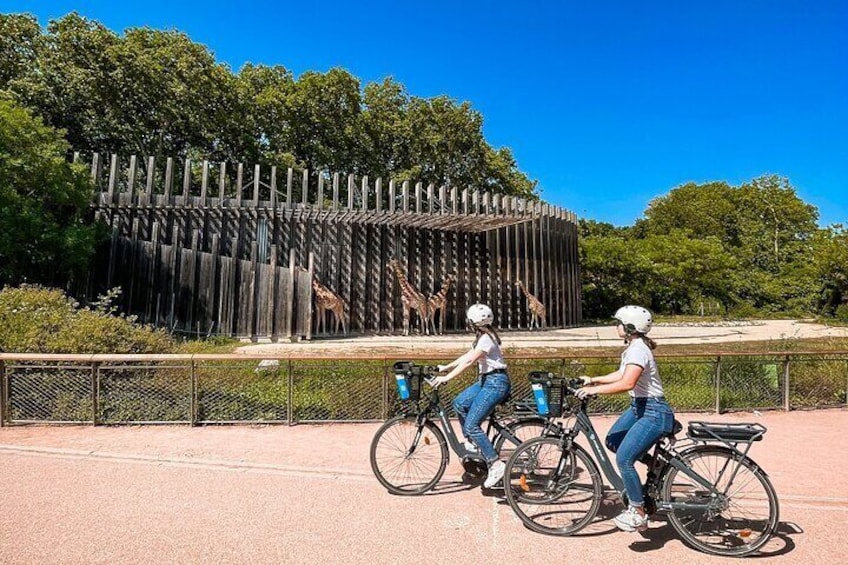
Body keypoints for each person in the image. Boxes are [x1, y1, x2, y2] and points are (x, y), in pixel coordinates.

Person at [575, 305, 674, 532]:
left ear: (629, 327)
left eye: (618, 322)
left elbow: (627, 383)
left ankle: (638, 512)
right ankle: (654, 464)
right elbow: (621, 374)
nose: (615, 326)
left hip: (653, 410)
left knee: (624, 459)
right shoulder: (635, 347)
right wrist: (594, 380)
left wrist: (594, 391)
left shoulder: (638, 349)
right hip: (640, 407)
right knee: (613, 441)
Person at [434, 303, 510, 489]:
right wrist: (445, 367)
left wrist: (447, 378)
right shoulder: (484, 336)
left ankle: (495, 464)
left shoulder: (486, 339)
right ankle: (473, 443)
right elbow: (467, 355)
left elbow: (469, 362)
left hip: (496, 383)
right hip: (487, 381)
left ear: (473, 322)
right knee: (459, 403)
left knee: (472, 424)